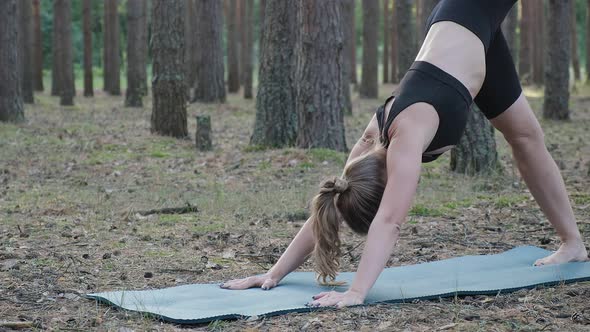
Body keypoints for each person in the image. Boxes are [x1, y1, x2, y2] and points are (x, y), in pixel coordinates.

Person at [221, 0, 589, 308]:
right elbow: (328, 206)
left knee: (526, 137)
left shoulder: (405, 139)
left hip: (469, 12)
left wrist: (357, 291)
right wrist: (274, 274)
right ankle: (573, 243)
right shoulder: (362, 155)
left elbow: (389, 222)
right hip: (471, 36)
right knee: (525, 137)